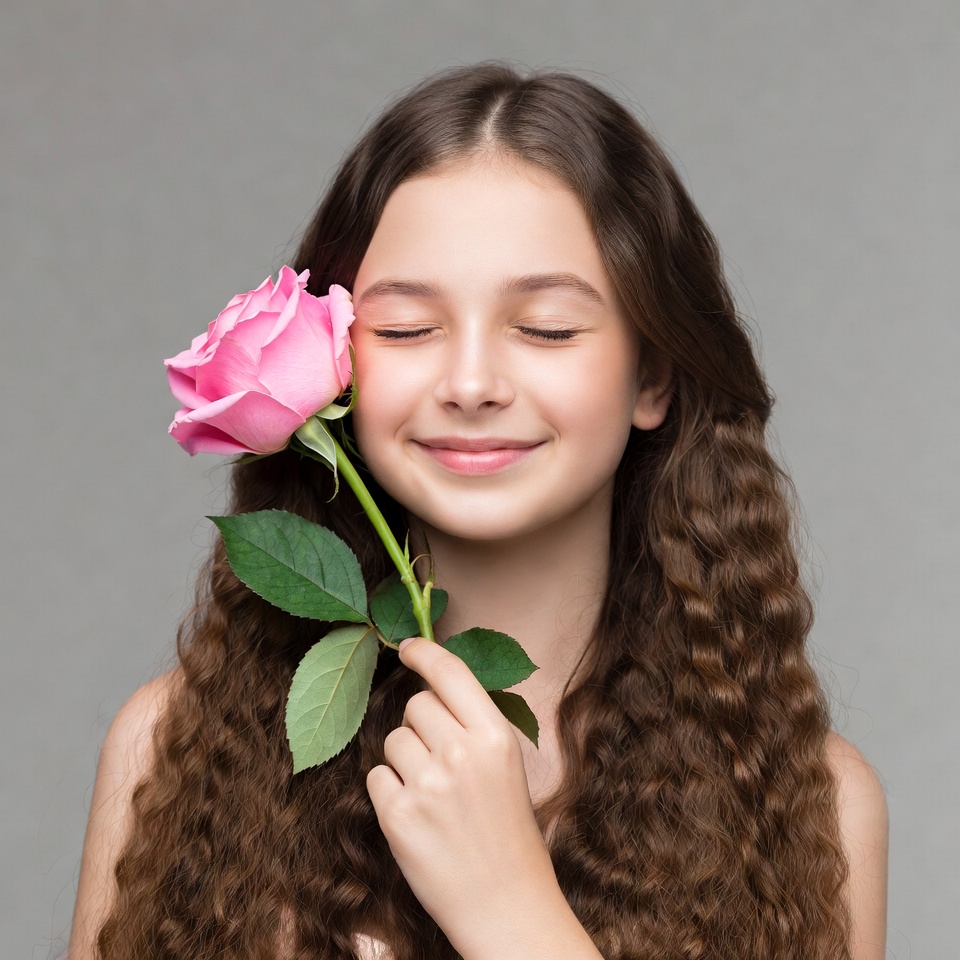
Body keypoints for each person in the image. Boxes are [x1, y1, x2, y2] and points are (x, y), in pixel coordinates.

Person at [69, 63, 887, 960]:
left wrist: (511, 913)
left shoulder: (814, 803)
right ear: (339, 363)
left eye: (545, 328)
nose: (469, 384)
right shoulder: (169, 747)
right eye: (407, 330)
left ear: (652, 373)